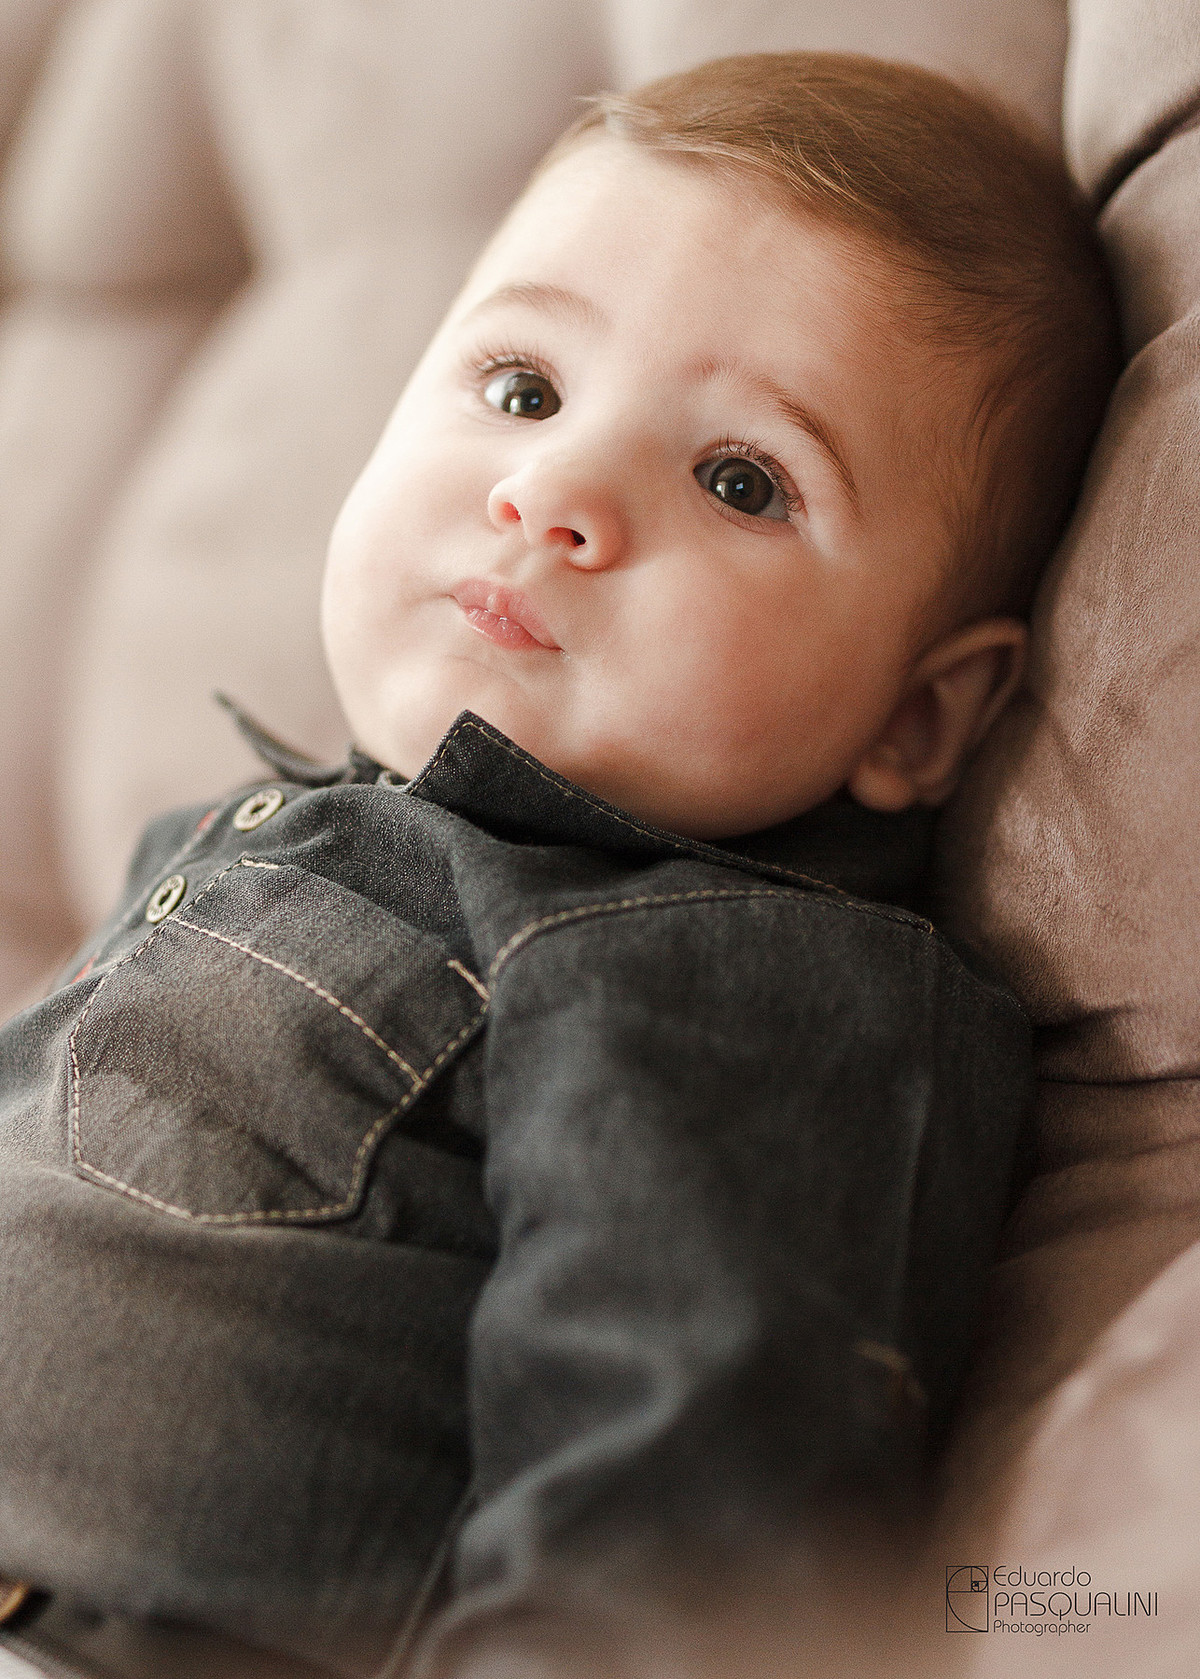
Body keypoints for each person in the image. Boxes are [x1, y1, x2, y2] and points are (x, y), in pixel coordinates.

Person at [0, 51, 1117, 1679]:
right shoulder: (224, 845)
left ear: (923, 717)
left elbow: (680, 1489)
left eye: (743, 480)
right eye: (522, 388)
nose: (559, 492)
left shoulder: (734, 973)